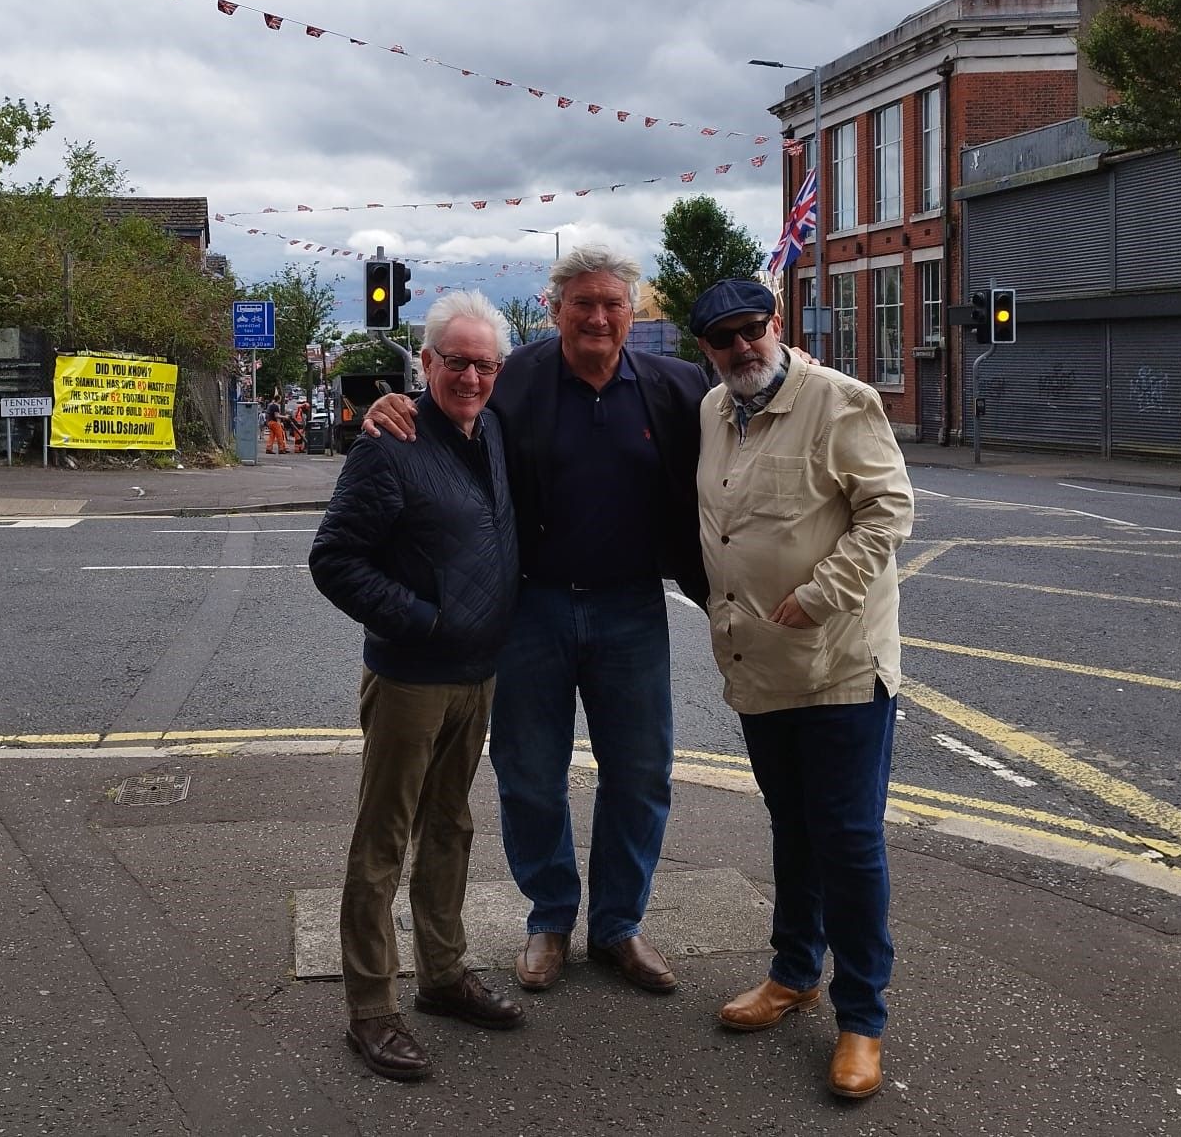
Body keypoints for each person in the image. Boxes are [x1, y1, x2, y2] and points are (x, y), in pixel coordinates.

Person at [366, 245, 708, 996]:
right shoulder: (511, 379)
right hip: (532, 608)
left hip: (632, 610)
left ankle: (618, 925)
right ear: (553, 311)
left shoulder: (678, 386)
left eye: (611, 304)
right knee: (529, 775)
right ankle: (550, 917)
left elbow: (754, 413)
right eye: (580, 303)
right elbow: (442, 412)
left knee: (641, 774)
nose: (596, 316)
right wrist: (387, 405)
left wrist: (800, 369)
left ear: (630, 312)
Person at [688, 278, 915, 1101]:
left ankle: (862, 1019)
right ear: (706, 350)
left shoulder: (841, 401)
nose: (742, 348)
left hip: (839, 664)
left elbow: (888, 513)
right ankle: (793, 975)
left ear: (776, 326)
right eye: (724, 339)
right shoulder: (714, 410)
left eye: (753, 330)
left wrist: (818, 592)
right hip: (759, 666)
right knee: (793, 827)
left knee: (848, 840)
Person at [308, 291, 525, 1082]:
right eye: (455, 361)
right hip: (411, 677)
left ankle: (442, 975)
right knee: (382, 842)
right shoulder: (388, 444)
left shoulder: (494, 429)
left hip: (478, 674)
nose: (471, 376)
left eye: (484, 364)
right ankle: (371, 1009)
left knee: (452, 828)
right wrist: (422, 621)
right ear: (426, 363)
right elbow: (333, 560)